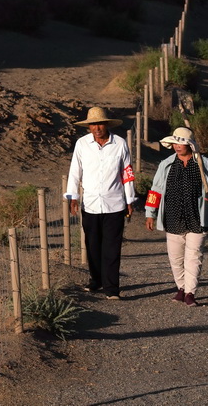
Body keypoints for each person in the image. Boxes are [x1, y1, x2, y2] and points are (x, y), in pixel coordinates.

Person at [144, 127, 208, 307]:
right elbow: (155, 190)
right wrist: (150, 213)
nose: (177, 146)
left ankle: (190, 292)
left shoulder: (203, 163)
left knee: (194, 256)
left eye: (181, 143)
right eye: (175, 143)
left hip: (197, 217)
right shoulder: (166, 164)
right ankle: (181, 287)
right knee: (176, 258)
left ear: (189, 144)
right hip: (172, 216)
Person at [65, 106, 136, 300]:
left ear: (107, 125)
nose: (97, 128)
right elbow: (75, 171)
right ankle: (96, 280)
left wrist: (129, 199)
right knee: (93, 245)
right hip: (90, 204)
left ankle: (112, 288)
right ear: (89, 126)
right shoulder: (82, 144)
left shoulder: (120, 144)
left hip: (115, 203)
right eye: (93, 124)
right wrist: (72, 196)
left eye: (100, 124)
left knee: (112, 247)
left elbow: (127, 173)